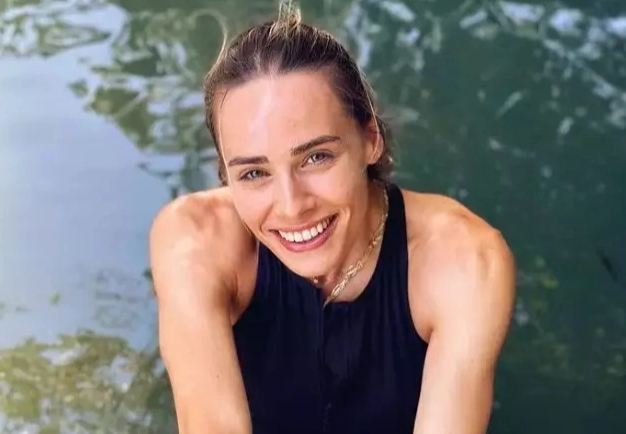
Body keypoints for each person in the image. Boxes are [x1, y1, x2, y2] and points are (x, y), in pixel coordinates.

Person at [149, 4, 516, 434]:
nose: (291, 206)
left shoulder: (463, 261)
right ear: (225, 174)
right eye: (254, 173)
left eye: (316, 157)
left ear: (371, 139)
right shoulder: (194, 242)